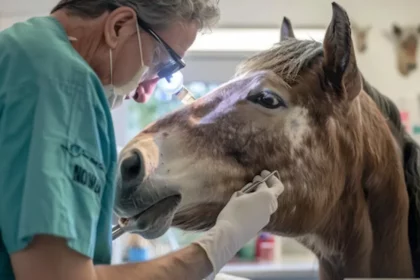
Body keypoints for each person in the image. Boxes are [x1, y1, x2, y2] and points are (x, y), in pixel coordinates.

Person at [0, 1, 285, 280]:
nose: (144, 93)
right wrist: (219, 244)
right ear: (119, 26)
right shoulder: (65, 82)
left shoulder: (23, 49)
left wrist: (93, 207)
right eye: (159, 65)